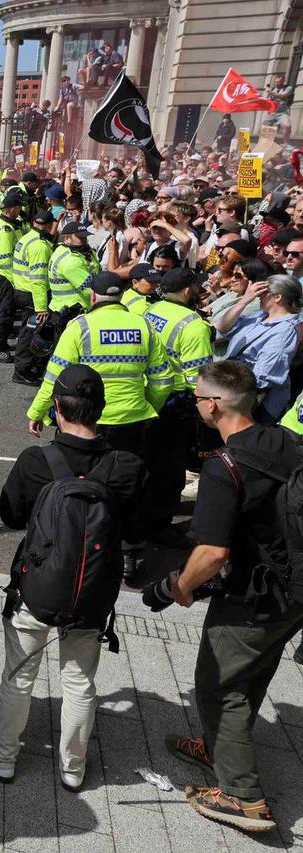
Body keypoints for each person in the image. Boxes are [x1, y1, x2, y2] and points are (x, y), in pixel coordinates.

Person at [0, 366, 146, 790]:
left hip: (38, 589)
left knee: (20, 675)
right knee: (80, 680)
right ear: (101, 409)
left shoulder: (36, 461)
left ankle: (4, 756)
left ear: (56, 408)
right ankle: (72, 768)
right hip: (93, 594)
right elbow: (141, 531)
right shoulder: (126, 466)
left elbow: (12, 516)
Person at [161, 361, 303, 834]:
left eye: (199, 394)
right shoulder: (285, 440)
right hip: (295, 590)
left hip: (255, 595)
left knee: (219, 684)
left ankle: (244, 797)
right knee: (256, 668)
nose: (197, 400)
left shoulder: (224, 467)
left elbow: (213, 552)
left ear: (213, 405)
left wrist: (181, 586)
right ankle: (216, 745)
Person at [25, 272, 173, 457]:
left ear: (93, 295)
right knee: (125, 478)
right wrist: (149, 407)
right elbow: (163, 379)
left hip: (87, 420)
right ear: (121, 296)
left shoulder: (79, 327)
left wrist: (37, 412)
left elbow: (55, 377)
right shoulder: (144, 326)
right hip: (131, 420)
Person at [142, 268, 214, 530]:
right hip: (176, 401)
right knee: (171, 465)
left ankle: (149, 509)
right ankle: (161, 522)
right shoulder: (193, 325)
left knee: (151, 458)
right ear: (187, 290)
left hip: (148, 392)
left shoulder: (153, 310)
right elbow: (199, 376)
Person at [213, 273, 301, 421]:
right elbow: (222, 327)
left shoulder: (285, 331)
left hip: (252, 401)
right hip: (232, 386)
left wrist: (226, 392)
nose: (258, 296)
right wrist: (244, 301)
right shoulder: (259, 316)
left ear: (277, 297)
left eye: (263, 292)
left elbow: (263, 378)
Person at [10, 210, 57, 384]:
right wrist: (41, 307)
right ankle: (22, 372)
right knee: (29, 334)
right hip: (32, 295)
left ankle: (25, 369)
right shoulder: (40, 246)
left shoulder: (27, 238)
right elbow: (38, 279)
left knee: (27, 332)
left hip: (22, 290)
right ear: (47, 225)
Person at [0, 189, 24, 362]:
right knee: (2, 313)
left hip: (2, 276)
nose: (20, 210)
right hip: (6, 277)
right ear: (13, 208)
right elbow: (7, 260)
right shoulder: (5, 230)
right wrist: (16, 280)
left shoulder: (3, 223)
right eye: (19, 207)